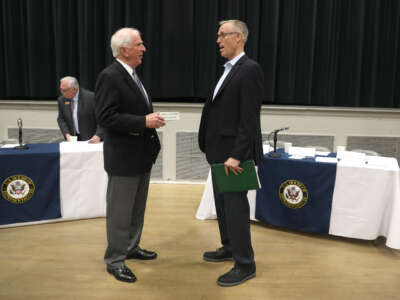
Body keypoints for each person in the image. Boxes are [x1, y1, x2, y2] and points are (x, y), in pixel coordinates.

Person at [95, 27, 165, 283]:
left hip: (140, 156)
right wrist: (143, 121)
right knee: (120, 213)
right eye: (139, 44)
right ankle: (115, 260)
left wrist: (147, 121)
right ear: (124, 50)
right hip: (123, 158)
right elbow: (105, 117)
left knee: (136, 210)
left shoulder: (131, 74)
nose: (144, 48)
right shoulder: (110, 76)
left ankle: (131, 247)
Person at [198, 20, 264, 287]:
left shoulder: (249, 70)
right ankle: (229, 247)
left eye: (222, 35)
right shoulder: (229, 70)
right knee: (223, 208)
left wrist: (237, 154)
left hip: (233, 155)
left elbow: (249, 119)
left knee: (235, 209)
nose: (218, 40)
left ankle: (245, 263)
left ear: (238, 37)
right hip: (219, 152)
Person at [57, 76, 103, 143]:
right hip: (73, 139)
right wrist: (67, 134)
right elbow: (61, 119)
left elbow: (102, 119)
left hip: (92, 139)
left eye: (64, 90)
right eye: (61, 89)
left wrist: (98, 135)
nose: (62, 92)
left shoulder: (91, 98)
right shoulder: (62, 100)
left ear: (74, 89)